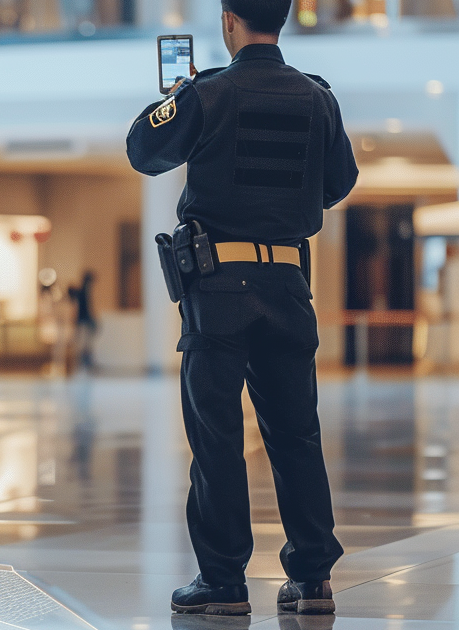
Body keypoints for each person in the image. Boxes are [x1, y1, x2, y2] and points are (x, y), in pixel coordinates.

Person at [127, 0, 358, 617]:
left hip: (218, 291)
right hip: (287, 284)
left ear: (229, 21)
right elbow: (338, 183)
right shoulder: (318, 98)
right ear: (280, 19)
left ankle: (223, 580)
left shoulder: (207, 94)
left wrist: (175, 96)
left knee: (217, 436)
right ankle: (312, 576)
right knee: (295, 435)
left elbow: (142, 151)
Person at [68, 271, 97, 370]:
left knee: (84, 342)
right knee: (83, 342)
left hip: (83, 320)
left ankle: (83, 361)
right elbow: (85, 308)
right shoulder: (83, 291)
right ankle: (82, 362)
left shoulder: (83, 290)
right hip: (82, 320)